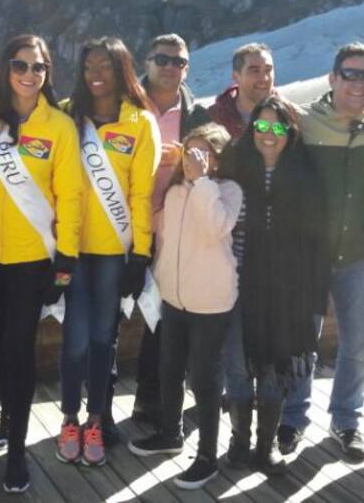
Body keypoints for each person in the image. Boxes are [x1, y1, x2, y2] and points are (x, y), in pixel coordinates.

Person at [0, 34, 83, 494]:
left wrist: (66, 262)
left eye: (38, 67)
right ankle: (9, 412)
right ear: (6, 68)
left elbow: (72, 196)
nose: (29, 75)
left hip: (31, 258)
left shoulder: (60, 128)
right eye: (21, 65)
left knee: (19, 347)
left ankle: (17, 450)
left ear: (47, 73)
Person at [294, 42, 364, 462]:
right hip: (310, 253)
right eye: (352, 74)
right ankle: (292, 417)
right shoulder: (303, 121)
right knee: (302, 338)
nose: (361, 84)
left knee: (359, 341)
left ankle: (346, 420)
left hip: (359, 252)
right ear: (332, 78)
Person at [56, 37, 159, 466]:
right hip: (71, 251)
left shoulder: (139, 122)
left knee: (103, 338)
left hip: (114, 253)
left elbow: (141, 195)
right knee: (74, 340)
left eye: (105, 65)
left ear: (122, 70)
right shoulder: (66, 115)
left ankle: (96, 419)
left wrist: (141, 254)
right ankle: (68, 418)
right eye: (88, 65)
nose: (96, 73)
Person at [128, 123, 240, 489]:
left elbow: (214, 229)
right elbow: (164, 239)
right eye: (190, 152)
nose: (194, 159)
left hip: (211, 301)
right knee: (169, 368)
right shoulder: (175, 191)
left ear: (219, 158)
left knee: (205, 379)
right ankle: (170, 432)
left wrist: (202, 182)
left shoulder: (228, 191)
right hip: (173, 297)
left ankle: (207, 454)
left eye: (205, 152)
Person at [220, 96, 326, 476]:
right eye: (261, 126)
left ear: (290, 132)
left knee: (274, 367)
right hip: (234, 283)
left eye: (278, 127)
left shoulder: (304, 175)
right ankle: (239, 441)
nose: (269, 134)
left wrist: (313, 295)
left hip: (285, 290)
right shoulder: (234, 165)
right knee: (235, 363)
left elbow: (316, 240)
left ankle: (265, 448)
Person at [127, 33, 211, 429]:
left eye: (178, 62)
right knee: (104, 320)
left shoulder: (198, 116)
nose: (169, 67)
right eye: (162, 59)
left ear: (187, 69)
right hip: (118, 225)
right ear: (146, 62)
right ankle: (94, 410)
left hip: (169, 231)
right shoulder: (122, 105)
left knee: (160, 318)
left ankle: (149, 398)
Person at [206, 43, 275, 140]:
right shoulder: (215, 118)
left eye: (268, 70)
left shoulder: (288, 114)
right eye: (255, 71)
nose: (264, 78)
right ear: (235, 76)